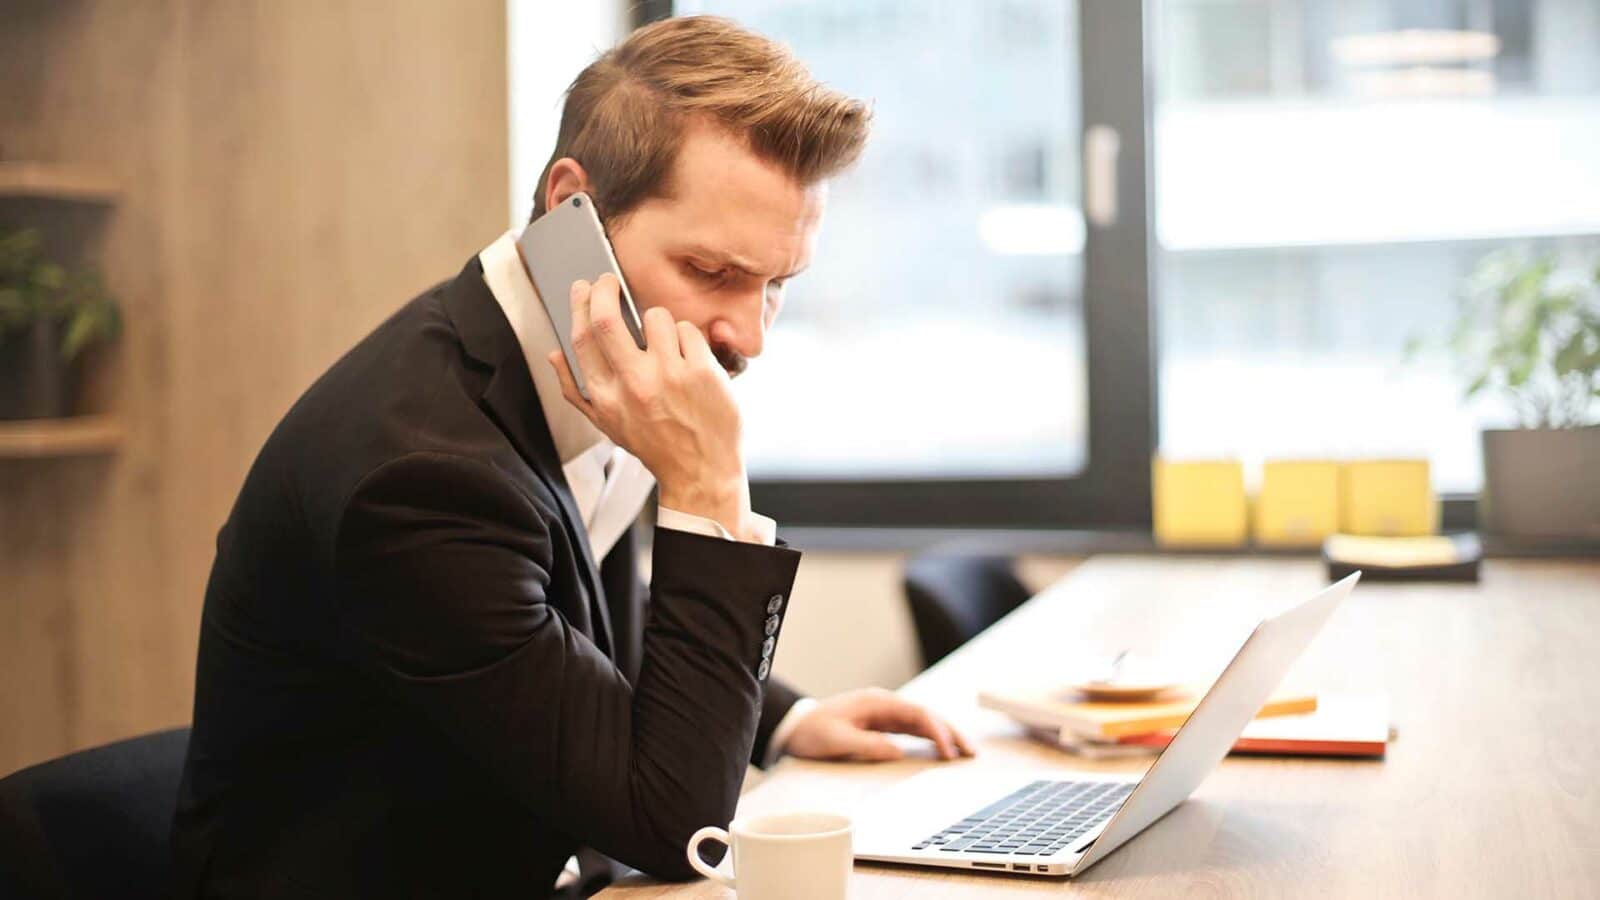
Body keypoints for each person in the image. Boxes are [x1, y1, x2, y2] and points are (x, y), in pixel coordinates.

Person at [170, 15, 973, 899]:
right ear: (571, 211)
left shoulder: (590, 361)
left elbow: (583, 604)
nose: (749, 336)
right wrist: (708, 487)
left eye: (777, 283)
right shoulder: (421, 479)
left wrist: (784, 719)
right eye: (711, 271)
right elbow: (678, 828)